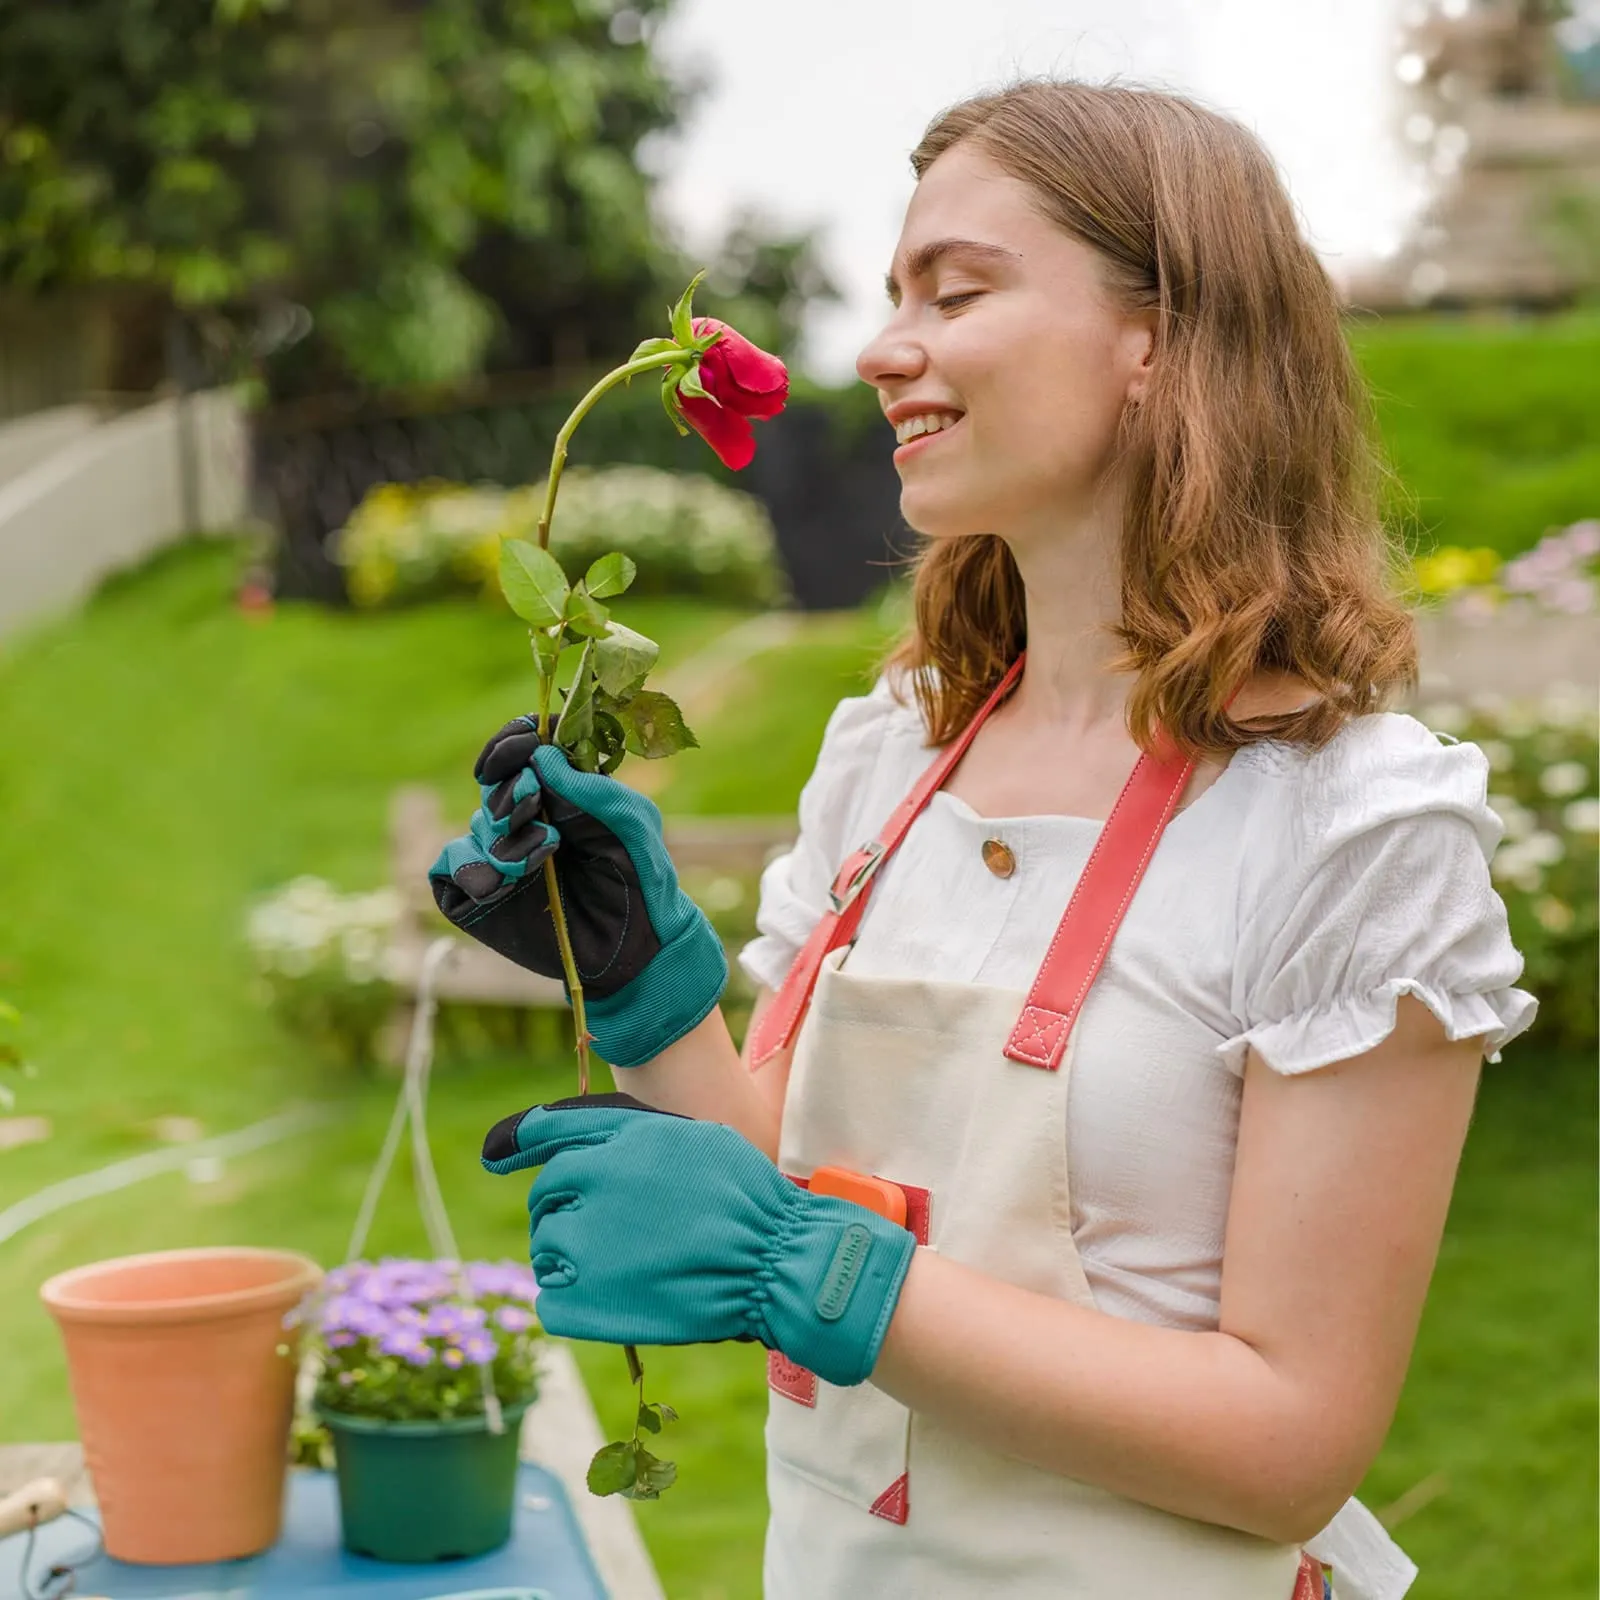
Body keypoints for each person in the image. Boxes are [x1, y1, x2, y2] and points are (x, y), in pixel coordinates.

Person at [431, 78, 1537, 1600]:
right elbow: (789, 1185)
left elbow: (1294, 1437)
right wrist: (645, 992)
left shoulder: (1355, 829)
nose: (886, 349)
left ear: (1163, 335)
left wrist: (802, 1274)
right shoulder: (889, 756)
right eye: (895, 297)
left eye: (957, 292)